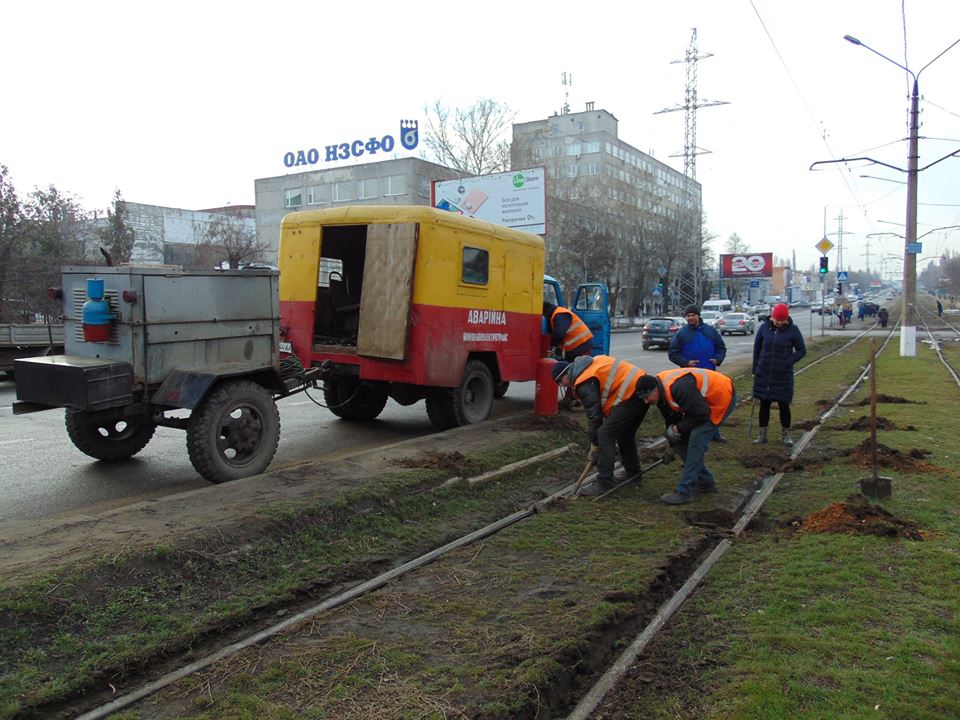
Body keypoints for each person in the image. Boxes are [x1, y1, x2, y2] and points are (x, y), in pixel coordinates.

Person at [552, 355, 657, 497]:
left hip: (633, 394)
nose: (561, 385)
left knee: (605, 434)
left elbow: (595, 416)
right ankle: (633, 475)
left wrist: (595, 443)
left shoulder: (583, 381)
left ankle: (604, 482)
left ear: (566, 373)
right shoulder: (589, 366)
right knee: (625, 435)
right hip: (639, 391)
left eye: (559, 381)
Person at [639, 367, 737, 505]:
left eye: (646, 397)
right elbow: (672, 421)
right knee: (679, 438)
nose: (645, 402)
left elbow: (701, 414)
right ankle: (706, 482)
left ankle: (685, 491)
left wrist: (679, 428)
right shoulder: (661, 395)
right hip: (700, 404)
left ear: (655, 390)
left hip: (720, 397)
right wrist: (672, 445)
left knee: (696, 440)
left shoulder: (679, 388)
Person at [752, 303, 806, 446]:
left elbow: (801, 350)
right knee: (764, 404)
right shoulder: (764, 328)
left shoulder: (793, 330)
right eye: (778, 320)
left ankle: (786, 435)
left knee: (784, 405)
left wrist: (787, 362)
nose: (780, 323)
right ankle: (762, 435)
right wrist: (755, 369)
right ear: (773, 317)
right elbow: (757, 349)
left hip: (783, 375)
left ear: (787, 318)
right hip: (764, 372)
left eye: (783, 320)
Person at [668, 305, 726, 370]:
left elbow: (721, 347)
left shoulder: (710, 330)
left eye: (693, 315)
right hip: (689, 373)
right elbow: (673, 353)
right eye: (688, 316)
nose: (690, 318)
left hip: (709, 372)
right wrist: (686, 362)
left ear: (698, 315)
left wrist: (718, 359)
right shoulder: (681, 333)